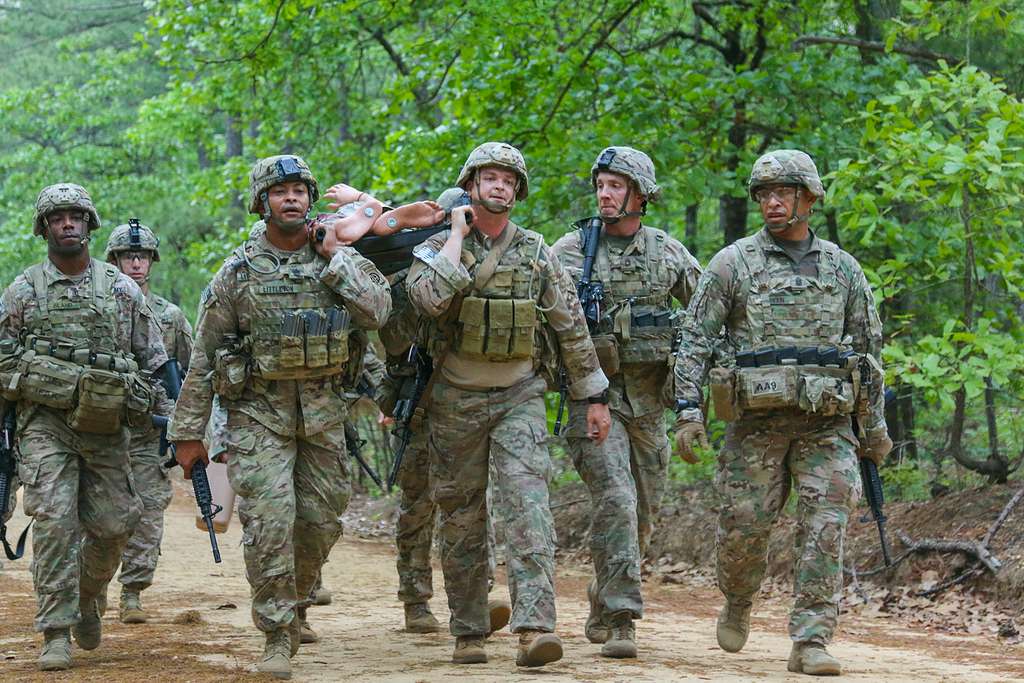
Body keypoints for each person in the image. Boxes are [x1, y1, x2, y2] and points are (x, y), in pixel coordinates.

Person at [167, 155, 391, 680]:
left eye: (299, 190)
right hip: (257, 417)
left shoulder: (337, 257)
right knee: (269, 525)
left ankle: (297, 601)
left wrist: (339, 258)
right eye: (280, 190)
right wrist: (188, 434)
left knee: (318, 523)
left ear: (311, 200)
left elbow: (378, 314)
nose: (291, 198)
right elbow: (203, 357)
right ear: (262, 201)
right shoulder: (238, 271)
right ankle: (275, 633)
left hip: (324, 416)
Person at [672, 149, 893, 676]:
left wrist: (874, 426)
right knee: (743, 530)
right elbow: (694, 340)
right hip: (755, 428)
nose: (771, 203)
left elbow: (869, 351)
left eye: (782, 193)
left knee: (825, 528)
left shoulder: (843, 268)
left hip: (827, 426)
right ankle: (739, 597)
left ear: (809, 199)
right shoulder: (733, 263)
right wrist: (687, 411)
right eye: (764, 194)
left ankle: (811, 640)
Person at [406, 142, 610, 667]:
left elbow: (570, 326)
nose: (499, 186)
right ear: (470, 186)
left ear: (518, 192)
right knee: (461, 516)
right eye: (489, 178)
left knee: (528, 507)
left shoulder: (537, 251)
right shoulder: (437, 246)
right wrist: (455, 233)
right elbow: (427, 299)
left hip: (520, 394)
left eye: (508, 180)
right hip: (454, 399)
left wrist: (593, 395)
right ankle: (469, 629)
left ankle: (534, 628)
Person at [0, 184, 171, 671]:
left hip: (107, 428)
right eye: (58, 218)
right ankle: (55, 629)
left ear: (89, 224)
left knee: (116, 524)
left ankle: (88, 594)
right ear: (45, 228)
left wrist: (170, 425)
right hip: (44, 426)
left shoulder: (120, 289)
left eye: (76, 216)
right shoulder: (23, 290)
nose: (68, 224)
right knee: (54, 521)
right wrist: (44, 381)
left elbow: (154, 362)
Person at [551, 146, 702, 658]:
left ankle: (603, 593)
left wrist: (692, 402)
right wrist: (585, 388)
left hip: (650, 405)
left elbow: (706, 320)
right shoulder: (570, 253)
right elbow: (551, 328)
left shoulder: (668, 253)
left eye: (616, 185)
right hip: (595, 401)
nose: (605, 193)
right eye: (601, 184)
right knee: (616, 499)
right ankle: (621, 619)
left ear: (640, 194)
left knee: (643, 513)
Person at [374, 187, 510, 636]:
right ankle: (415, 598)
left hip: (465, 398)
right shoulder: (411, 275)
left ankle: (476, 592)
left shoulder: (485, 267)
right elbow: (393, 339)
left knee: (472, 501)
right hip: (419, 400)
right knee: (418, 504)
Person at [104, 220, 194, 624]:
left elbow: (190, 374)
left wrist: (188, 428)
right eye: (128, 256)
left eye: (142, 256)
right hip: (103, 425)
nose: (136, 263)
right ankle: (94, 585)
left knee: (149, 508)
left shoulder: (170, 317)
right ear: (115, 260)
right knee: (103, 512)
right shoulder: (99, 305)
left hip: (151, 431)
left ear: (152, 262)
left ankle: (133, 591)